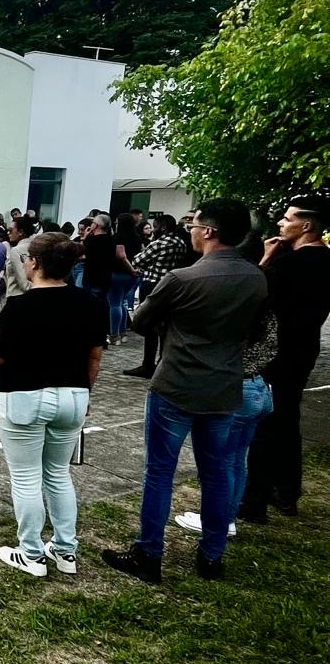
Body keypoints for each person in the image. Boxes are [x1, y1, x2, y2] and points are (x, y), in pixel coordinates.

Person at [102, 199, 266, 584]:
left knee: (159, 471)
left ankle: (149, 552)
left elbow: (141, 321)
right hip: (225, 385)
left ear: (208, 231)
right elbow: (254, 330)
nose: (189, 230)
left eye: (193, 224)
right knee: (218, 472)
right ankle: (212, 555)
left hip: (176, 383)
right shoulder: (257, 278)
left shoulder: (182, 279)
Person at [0, 233, 107, 576]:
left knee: (26, 477)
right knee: (58, 474)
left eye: (27, 259)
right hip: (73, 395)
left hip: (25, 397)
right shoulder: (90, 303)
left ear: (36, 264)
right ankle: (65, 550)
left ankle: (30, 552)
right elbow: (94, 356)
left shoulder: (20, 307)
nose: (24, 264)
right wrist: (85, 393)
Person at [176, 239, 277, 539]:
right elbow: (271, 349)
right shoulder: (266, 307)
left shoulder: (234, 311)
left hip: (236, 389)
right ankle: (227, 516)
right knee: (236, 460)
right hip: (260, 387)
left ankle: (220, 521)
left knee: (219, 465)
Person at [240, 195, 330, 521]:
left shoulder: (287, 264)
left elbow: (254, 292)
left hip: (278, 351)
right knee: (288, 420)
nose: (281, 222)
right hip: (305, 348)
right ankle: (287, 491)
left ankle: (255, 501)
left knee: (266, 425)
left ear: (306, 225)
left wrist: (265, 259)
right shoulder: (326, 260)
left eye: (288, 218)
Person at [123, 215, 188, 378]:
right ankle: (162, 362)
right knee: (165, 326)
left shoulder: (159, 243)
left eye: (156, 226)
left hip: (153, 284)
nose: (153, 229)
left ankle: (147, 364)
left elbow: (138, 260)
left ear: (164, 227)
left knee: (149, 325)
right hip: (173, 286)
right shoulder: (180, 243)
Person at [82, 214, 135, 344]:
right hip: (108, 277)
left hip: (96, 277)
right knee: (119, 303)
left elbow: (83, 252)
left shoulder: (93, 240)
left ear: (97, 225)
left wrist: (86, 236)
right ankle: (119, 333)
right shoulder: (113, 240)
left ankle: (113, 334)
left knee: (112, 305)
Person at [111, 212, 144, 342]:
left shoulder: (117, 238)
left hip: (118, 273)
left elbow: (121, 256)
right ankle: (123, 332)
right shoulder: (138, 238)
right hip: (132, 276)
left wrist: (130, 269)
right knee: (122, 302)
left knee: (115, 304)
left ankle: (115, 334)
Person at [2, 216, 35, 301]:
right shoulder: (36, 247)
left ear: (20, 232)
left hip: (17, 297)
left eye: (10, 230)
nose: (8, 233)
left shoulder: (16, 251)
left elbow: (24, 282)